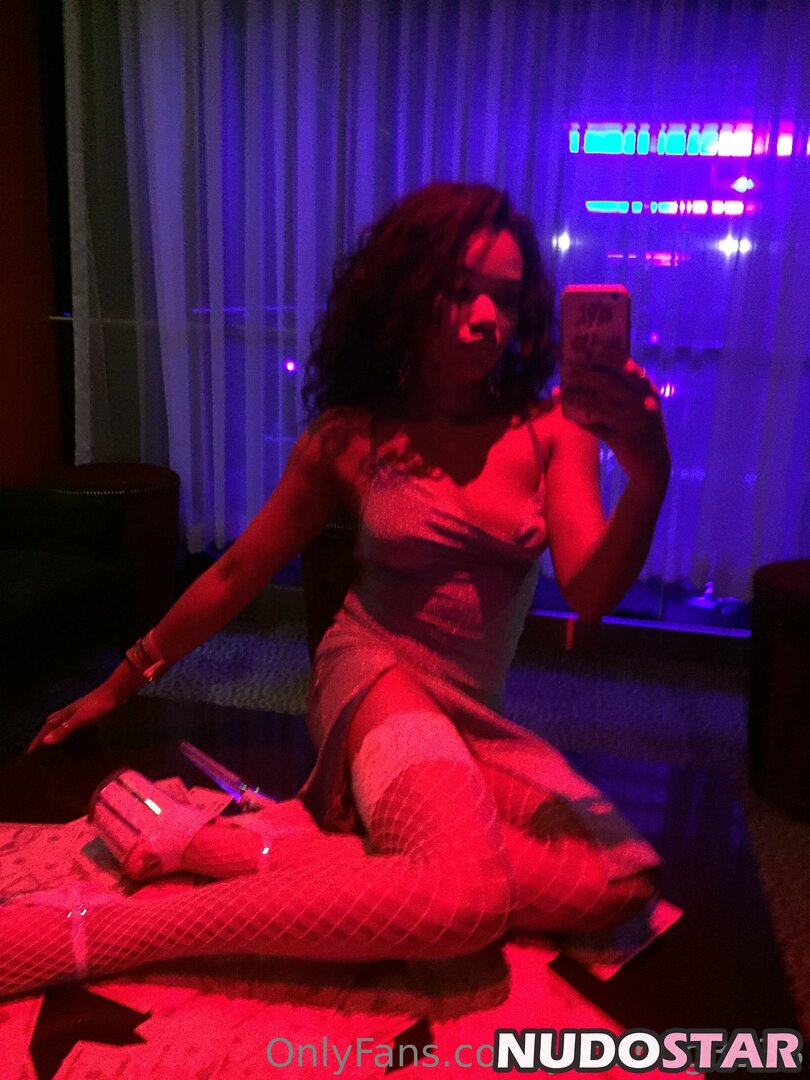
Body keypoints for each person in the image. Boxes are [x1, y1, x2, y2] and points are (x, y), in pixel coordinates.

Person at [3, 182, 670, 997]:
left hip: (471, 715)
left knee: (616, 882)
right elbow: (236, 572)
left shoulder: (550, 429)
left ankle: (199, 843)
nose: (486, 318)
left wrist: (648, 478)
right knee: (463, 898)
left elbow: (591, 591)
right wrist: (119, 683)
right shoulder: (349, 437)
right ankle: (93, 935)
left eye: (504, 297)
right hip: (373, 679)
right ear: (406, 291)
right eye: (459, 290)